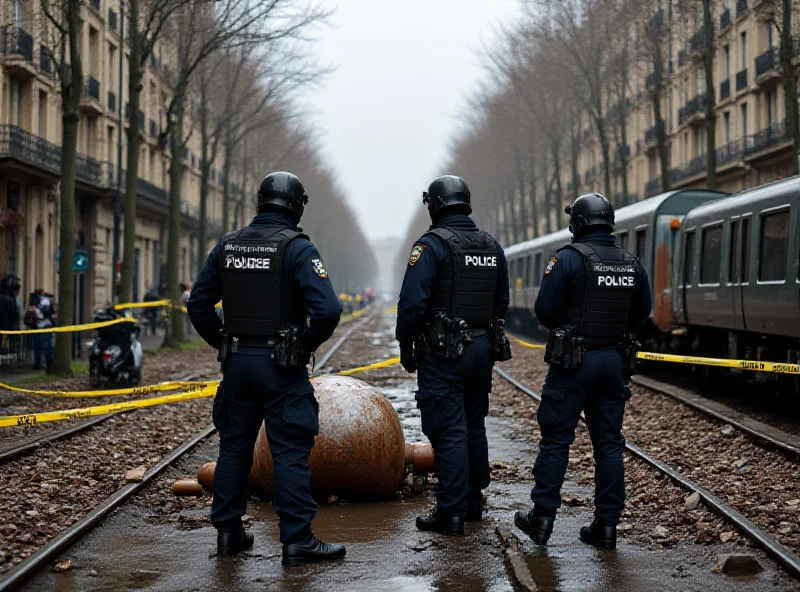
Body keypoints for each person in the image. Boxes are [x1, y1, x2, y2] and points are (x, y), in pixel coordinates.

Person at [187, 171, 346, 566]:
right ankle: (297, 540)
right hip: (282, 366)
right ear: (296, 205)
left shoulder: (227, 245)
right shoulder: (297, 248)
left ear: (259, 202)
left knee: (234, 447)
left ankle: (229, 534)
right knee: (289, 451)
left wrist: (223, 341)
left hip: (237, 365)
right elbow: (328, 309)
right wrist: (304, 343)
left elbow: (198, 305)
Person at [514, 193, 652, 550]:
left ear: (576, 223)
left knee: (557, 439)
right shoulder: (631, 263)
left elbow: (544, 310)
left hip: (572, 363)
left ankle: (541, 520)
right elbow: (642, 313)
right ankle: (606, 526)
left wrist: (569, 327)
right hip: (613, 364)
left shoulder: (568, 259)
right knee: (609, 444)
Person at [396, 175, 510, 535]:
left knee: (448, 430)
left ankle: (450, 511)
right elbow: (501, 302)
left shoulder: (431, 246)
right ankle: (473, 501)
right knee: (473, 425)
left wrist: (407, 345)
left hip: (444, 352)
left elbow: (412, 304)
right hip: (481, 349)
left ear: (435, 205)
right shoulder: (492, 246)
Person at [26, 289, 55, 371]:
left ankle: (43, 363)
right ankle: (43, 363)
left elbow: (48, 312)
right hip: (42, 325)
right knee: (43, 346)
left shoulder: (44, 301)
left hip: (42, 325)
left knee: (41, 346)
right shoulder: (45, 301)